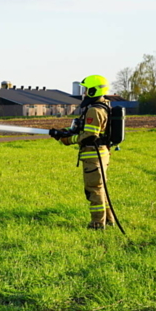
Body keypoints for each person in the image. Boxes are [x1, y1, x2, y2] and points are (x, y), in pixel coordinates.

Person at [50, 75, 116, 229]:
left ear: (94, 90)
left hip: (94, 156)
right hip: (99, 154)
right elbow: (81, 130)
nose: (84, 93)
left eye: (87, 89)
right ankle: (109, 220)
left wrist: (68, 140)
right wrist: (62, 133)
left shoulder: (94, 110)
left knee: (94, 190)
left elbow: (89, 136)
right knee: (100, 189)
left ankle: (97, 223)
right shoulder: (103, 106)